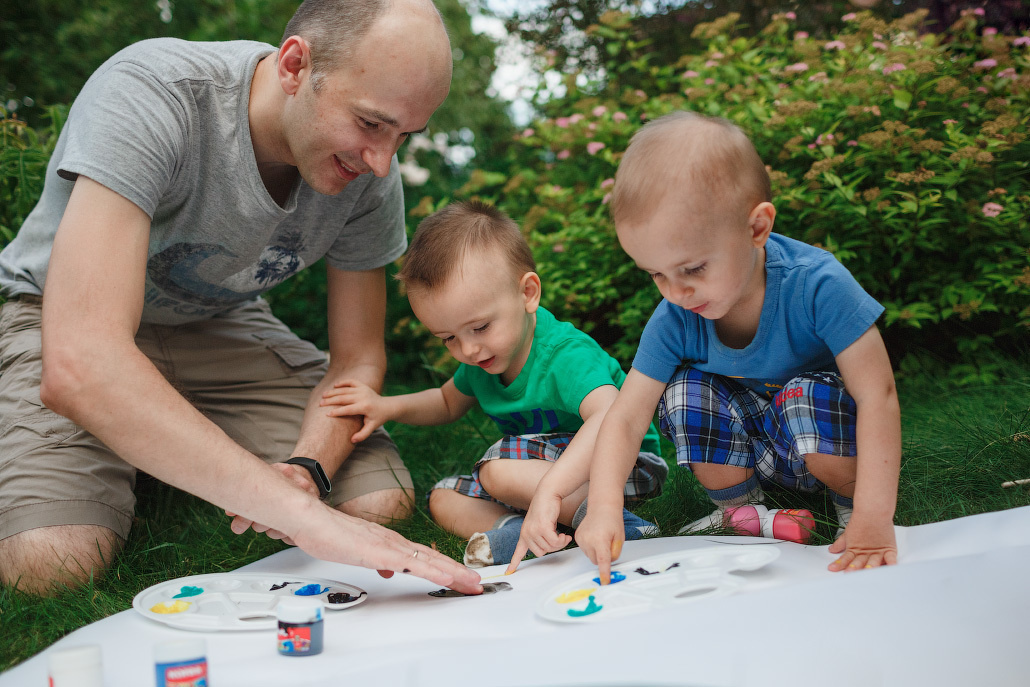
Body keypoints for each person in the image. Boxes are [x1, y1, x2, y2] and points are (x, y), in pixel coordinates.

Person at [0, 0, 481, 596]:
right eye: (371, 123)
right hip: (54, 312)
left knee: (379, 503)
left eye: (405, 135)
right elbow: (82, 364)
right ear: (295, 65)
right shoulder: (154, 92)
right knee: (50, 564)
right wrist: (299, 516)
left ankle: (166, 444)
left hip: (218, 322)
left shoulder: (368, 179)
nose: (383, 164)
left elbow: (357, 361)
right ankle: (149, 451)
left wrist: (307, 472)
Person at [575, 111, 901, 581]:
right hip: (755, 451)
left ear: (756, 229)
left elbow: (878, 395)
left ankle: (850, 506)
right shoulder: (676, 316)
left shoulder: (818, 285)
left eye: (691, 269)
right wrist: (603, 507)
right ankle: (742, 512)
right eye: (656, 274)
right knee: (683, 391)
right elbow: (626, 417)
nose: (674, 292)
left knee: (802, 397)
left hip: (827, 443)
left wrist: (875, 513)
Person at [320, 201, 668, 569]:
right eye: (448, 338)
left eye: (481, 327)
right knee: (443, 498)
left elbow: (610, 415)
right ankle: (521, 534)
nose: (468, 349)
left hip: (623, 469)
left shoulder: (563, 354)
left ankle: (620, 525)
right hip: (536, 476)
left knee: (497, 469)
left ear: (527, 294)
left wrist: (552, 489)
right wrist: (387, 406)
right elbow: (446, 401)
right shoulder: (482, 361)